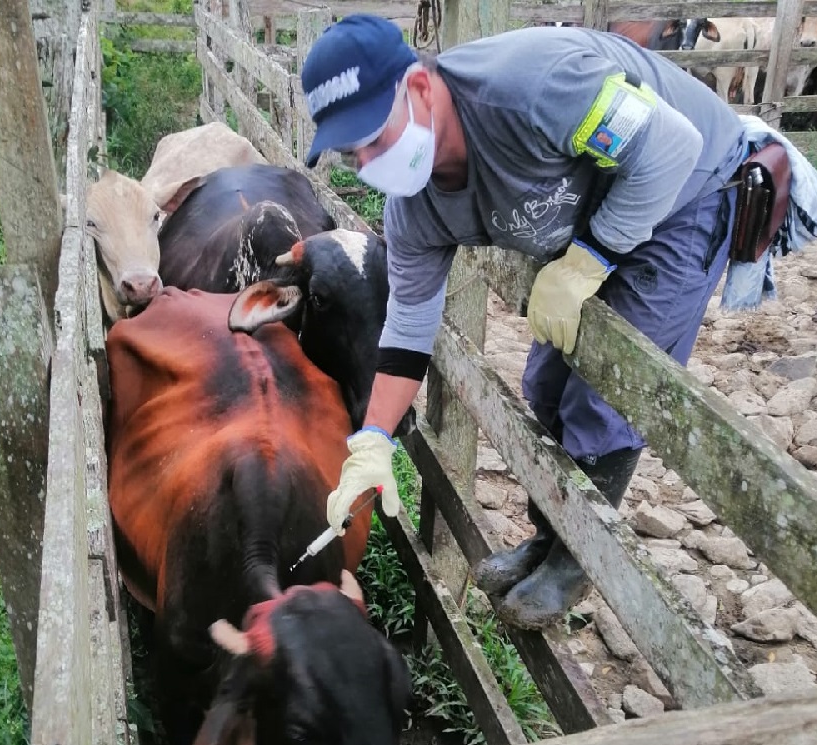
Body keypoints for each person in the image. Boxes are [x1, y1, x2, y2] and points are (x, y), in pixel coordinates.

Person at [299, 14, 749, 628]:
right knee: (544, 382)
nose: (370, 161)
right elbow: (407, 328)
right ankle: (551, 535)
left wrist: (594, 256)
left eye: (376, 136)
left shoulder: (535, 91)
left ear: (421, 88)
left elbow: (668, 147)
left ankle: (578, 558)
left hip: (684, 190)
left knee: (602, 395)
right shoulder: (414, 212)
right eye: (354, 153)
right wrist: (373, 439)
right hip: (597, 197)